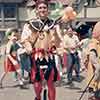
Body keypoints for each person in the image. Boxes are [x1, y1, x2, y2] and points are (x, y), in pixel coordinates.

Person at [21, 1, 60, 100]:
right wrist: (28, 46)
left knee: (51, 82)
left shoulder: (53, 24)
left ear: (48, 10)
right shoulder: (30, 24)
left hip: (49, 56)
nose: (42, 10)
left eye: (44, 8)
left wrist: (57, 45)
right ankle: (38, 97)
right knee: (37, 82)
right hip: (36, 56)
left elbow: (59, 40)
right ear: (37, 10)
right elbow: (25, 39)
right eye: (40, 8)